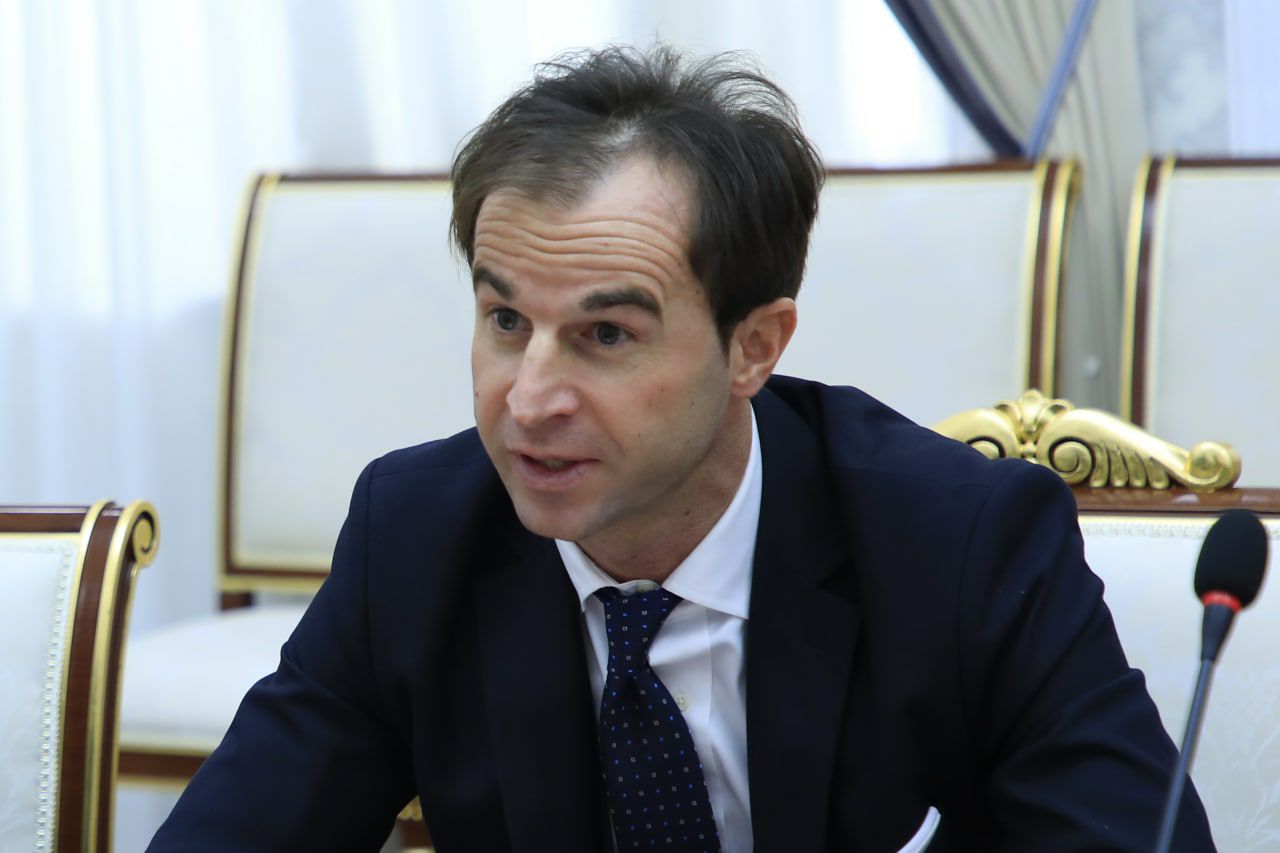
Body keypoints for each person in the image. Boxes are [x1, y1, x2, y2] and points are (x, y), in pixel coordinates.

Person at [149, 46, 1214, 851]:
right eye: (505, 320)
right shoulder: (415, 536)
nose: (528, 400)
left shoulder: (961, 541)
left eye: (606, 335)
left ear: (754, 346)